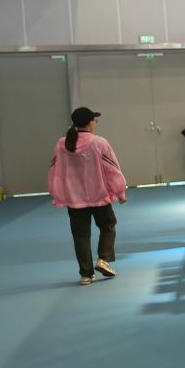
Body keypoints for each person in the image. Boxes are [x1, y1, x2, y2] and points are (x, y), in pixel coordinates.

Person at [48, 107, 127, 285]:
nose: (95, 123)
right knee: (108, 226)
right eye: (94, 120)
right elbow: (112, 169)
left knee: (80, 235)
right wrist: (120, 191)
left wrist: (55, 192)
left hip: (74, 199)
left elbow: (54, 169)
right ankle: (103, 259)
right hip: (99, 196)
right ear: (90, 123)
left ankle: (86, 274)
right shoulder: (99, 142)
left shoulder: (61, 143)